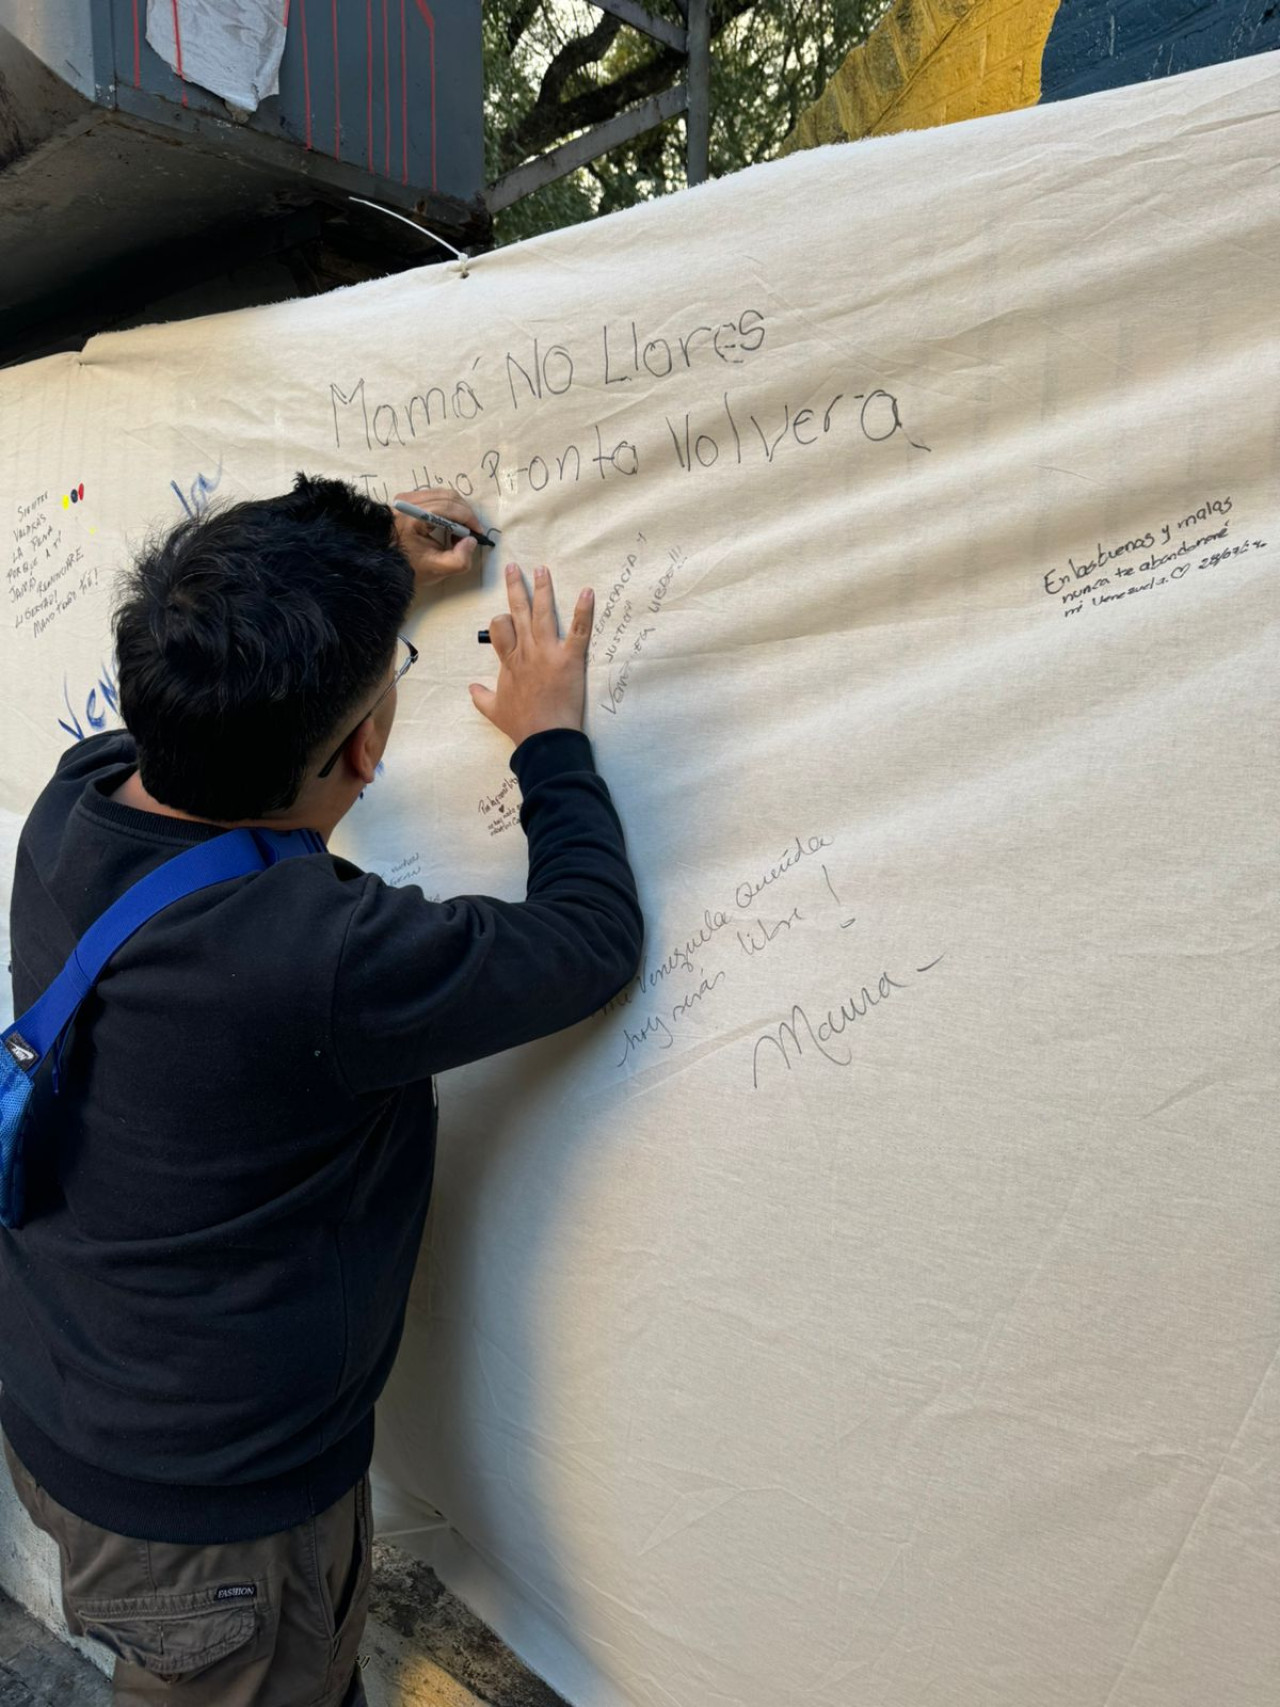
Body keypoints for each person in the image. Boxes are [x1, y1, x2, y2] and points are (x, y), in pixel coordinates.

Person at [0, 474, 643, 1706]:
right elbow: (589, 939)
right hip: (213, 1519)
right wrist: (550, 737)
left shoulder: (77, 802)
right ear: (366, 749)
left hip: (65, 1402)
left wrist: (356, 573)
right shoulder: (319, 957)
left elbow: (222, 677)